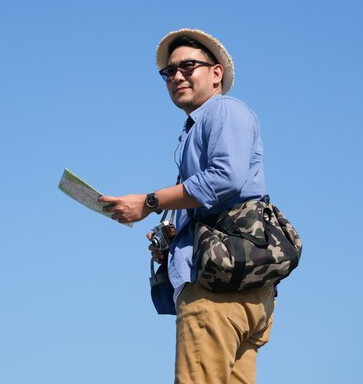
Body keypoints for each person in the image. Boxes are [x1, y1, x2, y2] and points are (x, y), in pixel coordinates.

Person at [99, 28, 275, 384]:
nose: (176, 76)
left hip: (214, 292)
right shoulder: (201, 126)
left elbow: (226, 178)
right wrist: (175, 236)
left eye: (188, 66)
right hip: (239, 289)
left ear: (216, 73)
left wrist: (150, 202)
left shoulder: (224, 111)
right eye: (169, 72)